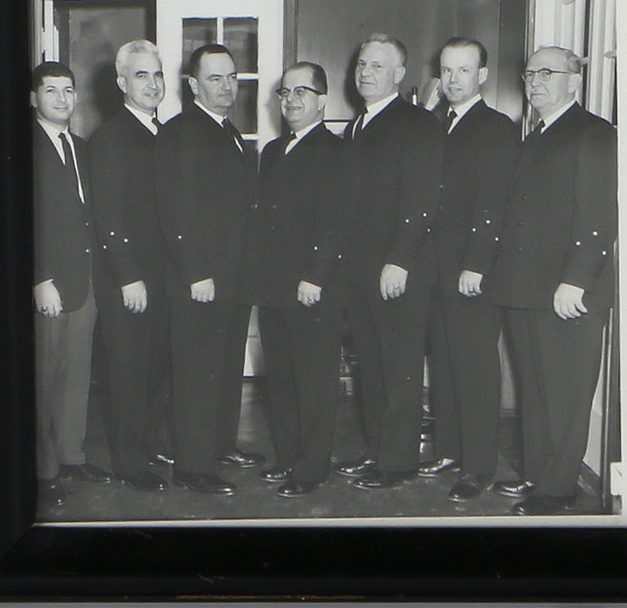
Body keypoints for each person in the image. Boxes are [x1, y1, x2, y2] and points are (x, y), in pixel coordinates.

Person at [495, 47, 616, 514]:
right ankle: (538, 475)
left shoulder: (593, 133)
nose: (535, 81)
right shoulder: (536, 136)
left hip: (568, 291)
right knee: (536, 387)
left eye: (548, 72)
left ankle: (557, 489)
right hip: (527, 287)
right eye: (530, 73)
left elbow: (597, 214)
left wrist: (577, 280)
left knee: (564, 393)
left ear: (575, 82)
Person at [330, 33, 442, 492]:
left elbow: (421, 198)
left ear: (399, 75)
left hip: (397, 270)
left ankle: (397, 463)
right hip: (360, 272)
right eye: (361, 63)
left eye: (378, 65)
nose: (365, 72)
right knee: (371, 365)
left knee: (397, 367)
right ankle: (378, 451)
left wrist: (400, 261)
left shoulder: (416, 123)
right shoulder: (357, 126)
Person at [154, 42, 256, 495]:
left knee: (226, 365)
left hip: (232, 279)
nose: (227, 86)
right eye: (215, 78)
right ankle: (193, 466)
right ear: (193, 84)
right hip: (199, 280)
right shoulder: (180, 132)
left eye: (231, 77)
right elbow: (175, 210)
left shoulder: (228, 131)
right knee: (197, 372)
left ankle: (220, 445)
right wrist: (195, 272)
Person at [249, 61, 350, 497]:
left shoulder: (335, 152)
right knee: (283, 378)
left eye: (301, 92)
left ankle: (311, 469)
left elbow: (335, 222)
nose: (290, 100)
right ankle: (288, 459)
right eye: (285, 92)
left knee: (313, 380)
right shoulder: (273, 151)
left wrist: (316, 276)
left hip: (312, 288)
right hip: (273, 287)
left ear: (322, 101)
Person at [429, 37, 522, 498]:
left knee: (475, 367)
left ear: (482, 75)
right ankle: (450, 449)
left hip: (471, 272)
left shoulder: (496, 127)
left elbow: (493, 204)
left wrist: (476, 265)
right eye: (446, 70)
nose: (453, 79)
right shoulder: (437, 124)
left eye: (463, 70)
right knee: (444, 361)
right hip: (437, 269)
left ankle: (480, 467)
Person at [84, 41, 172, 491]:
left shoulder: (165, 133)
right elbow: (109, 216)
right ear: (121, 83)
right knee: (128, 371)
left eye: (157, 75)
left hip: (163, 278)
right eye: (141, 76)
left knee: (157, 365)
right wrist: (128, 276)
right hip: (129, 280)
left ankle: (148, 444)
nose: (152, 84)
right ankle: (129, 463)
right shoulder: (112, 138)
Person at [27, 62, 104, 496]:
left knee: (77, 374)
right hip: (49, 283)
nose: (62, 98)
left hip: (85, 279)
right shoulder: (23, 147)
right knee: (43, 377)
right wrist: (40, 278)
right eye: (52, 90)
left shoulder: (80, 146)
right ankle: (43, 470)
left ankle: (72, 456)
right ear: (34, 98)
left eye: (69, 90)